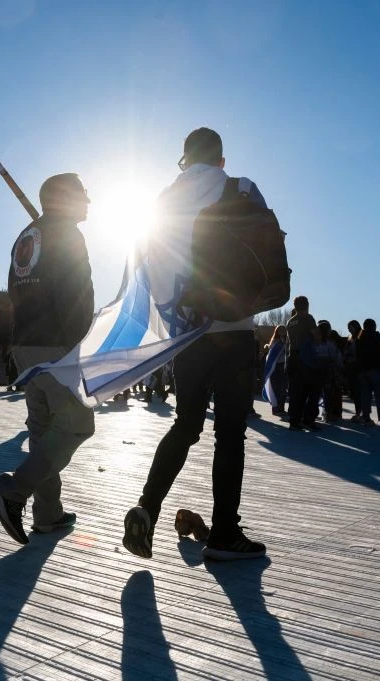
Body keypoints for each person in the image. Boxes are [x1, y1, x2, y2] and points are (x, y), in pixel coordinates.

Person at [122, 128, 268, 561]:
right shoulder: (240, 188)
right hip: (233, 327)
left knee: (185, 426)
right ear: (221, 160)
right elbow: (265, 251)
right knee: (230, 435)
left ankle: (147, 506)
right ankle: (224, 533)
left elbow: (152, 265)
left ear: (183, 160)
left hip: (188, 335)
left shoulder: (163, 201)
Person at [0, 173, 96, 546]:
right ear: (67, 199)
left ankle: (48, 514)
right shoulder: (67, 234)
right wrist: (81, 341)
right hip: (57, 345)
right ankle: (15, 490)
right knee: (78, 425)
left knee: (43, 429)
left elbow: (14, 291)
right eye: (83, 195)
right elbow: (78, 294)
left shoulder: (28, 235)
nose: (88, 202)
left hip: (27, 343)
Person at [284, 296, 317, 431]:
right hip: (305, 358)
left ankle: (294, 420)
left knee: (295, 392)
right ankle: (304, 419)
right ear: (307, 305)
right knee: (307, 391)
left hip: (292, 357)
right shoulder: (308, 319)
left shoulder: (290, 321)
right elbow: (316, 335)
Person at [353, 319, 380, 426]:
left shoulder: (359, 338)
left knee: (365, 395)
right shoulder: (376, 336)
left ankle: (366, 418)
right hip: (375, 369)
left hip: (362, 370)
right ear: (374, 326)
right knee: (379, 396)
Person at [343, 320, 362, 418]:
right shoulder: (350, 338)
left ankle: (361, 412)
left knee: (359, 391)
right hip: (350, 367)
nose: (349, 329)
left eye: (350, 327)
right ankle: (358, 412)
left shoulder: (360, 337)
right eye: (348, 328)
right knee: (354, 392)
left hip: (357, 367)